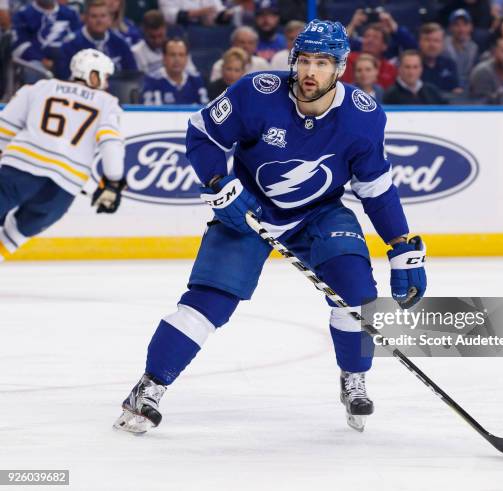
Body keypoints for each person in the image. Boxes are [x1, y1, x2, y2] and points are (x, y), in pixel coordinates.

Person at [113, 19, 427, 435]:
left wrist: (401, 244)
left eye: (323, 63)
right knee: (208, 303)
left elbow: (376, 188)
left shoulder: (363, 117)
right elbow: (202, 135)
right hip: (246, 209)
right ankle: (147, 388)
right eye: (305, 61)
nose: (311, 72)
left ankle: (354, 378)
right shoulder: (256, 92)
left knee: (357, 296)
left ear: (341, 68)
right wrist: (217, 182)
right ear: (294, 60)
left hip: (320, 213)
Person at [0, 49, 125, 262]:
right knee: (17, 233)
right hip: (63, 187)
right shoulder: (107, 103)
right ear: (92, 74)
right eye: (103, 76)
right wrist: (113, 181)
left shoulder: (40, 88)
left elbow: (4, 128)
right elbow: (110, 143)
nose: (105, 83)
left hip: (20, 169)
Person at [56, 0, 137, 80]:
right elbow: (63, 77)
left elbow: (132, 75)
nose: (99, 21)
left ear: (110, 18)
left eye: (103, 16)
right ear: (85, 18)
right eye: (94, 16)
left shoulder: (120, 43)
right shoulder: (70, 44)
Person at [11, 0, 81, 81]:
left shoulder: (70, 13)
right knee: (34, 70)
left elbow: (78, 39)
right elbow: (19, 46)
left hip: (67, 62)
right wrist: (41, 59)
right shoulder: (23, 14)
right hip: (38, 64)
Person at [141, 38, 208, 105]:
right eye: (172, 55)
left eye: (181, 55)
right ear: (164, 57)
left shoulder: (196, 80)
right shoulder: (152, 80)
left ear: (187, 58)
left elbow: (204, 108)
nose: (177, 59)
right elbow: (148, 111)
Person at [131, 9, 197, 76]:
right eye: (152, 37)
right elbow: (142, 82)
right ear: (144, 31)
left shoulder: (179, 47)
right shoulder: (136, 52)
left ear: (165, 29)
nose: (157, 41)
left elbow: (192, 73)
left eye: (160, 35)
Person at [341, 24, 398, 89]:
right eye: (367, 36)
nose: (370, 40)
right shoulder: (348, 59)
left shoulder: (390, 70)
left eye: (375, 37)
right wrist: (353, 24)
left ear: (384, 46)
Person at [419, 23, 461, 93]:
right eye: (427, 40)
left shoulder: (450, 64)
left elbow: (456, 91)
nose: (432, 45)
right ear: (420, 42)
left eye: (436, 41)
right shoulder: (412, 66)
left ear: (442, 44)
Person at [443, 9, 479, 90]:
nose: (461, 29)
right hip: (447, 91)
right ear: (450, 27)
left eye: (465, 25)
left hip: (468, 93)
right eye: (457, 25)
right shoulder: (443, 46)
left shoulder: (474, 48)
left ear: (471, 27)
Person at [158, 0, 224, 26]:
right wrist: (200, 12)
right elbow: (169, 16)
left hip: (204, 31)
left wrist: (230, 13)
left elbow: (220, 12)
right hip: (178, 31)